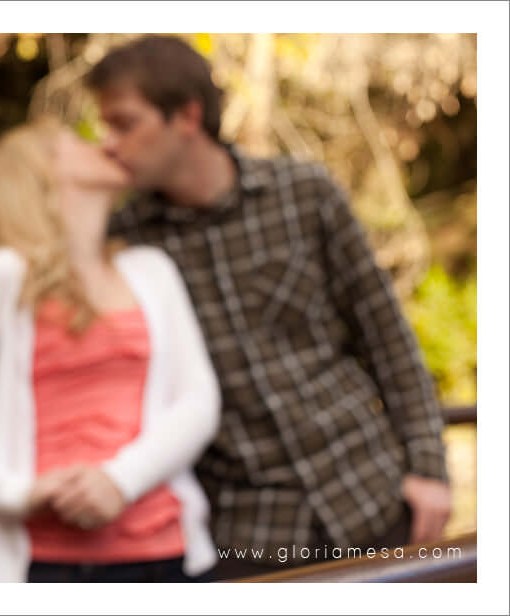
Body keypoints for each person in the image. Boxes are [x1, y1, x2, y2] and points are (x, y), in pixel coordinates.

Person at [80, 35, 452, 579]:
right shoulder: (122, 243)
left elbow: (387, 339)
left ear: (186, 115)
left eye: (124, 123)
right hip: (245, 538)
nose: (108, 144)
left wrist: (428, 468)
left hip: (373, 498)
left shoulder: (304, 194)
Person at [0, 117, 222, 583]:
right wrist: (10, 491)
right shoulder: (3, 276)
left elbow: (198, 402)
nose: (105, 145)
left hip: (173, 555)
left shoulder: (151, 270)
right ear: (44, 172)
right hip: (51, 568)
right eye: (78, 141)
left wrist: (118, 481)